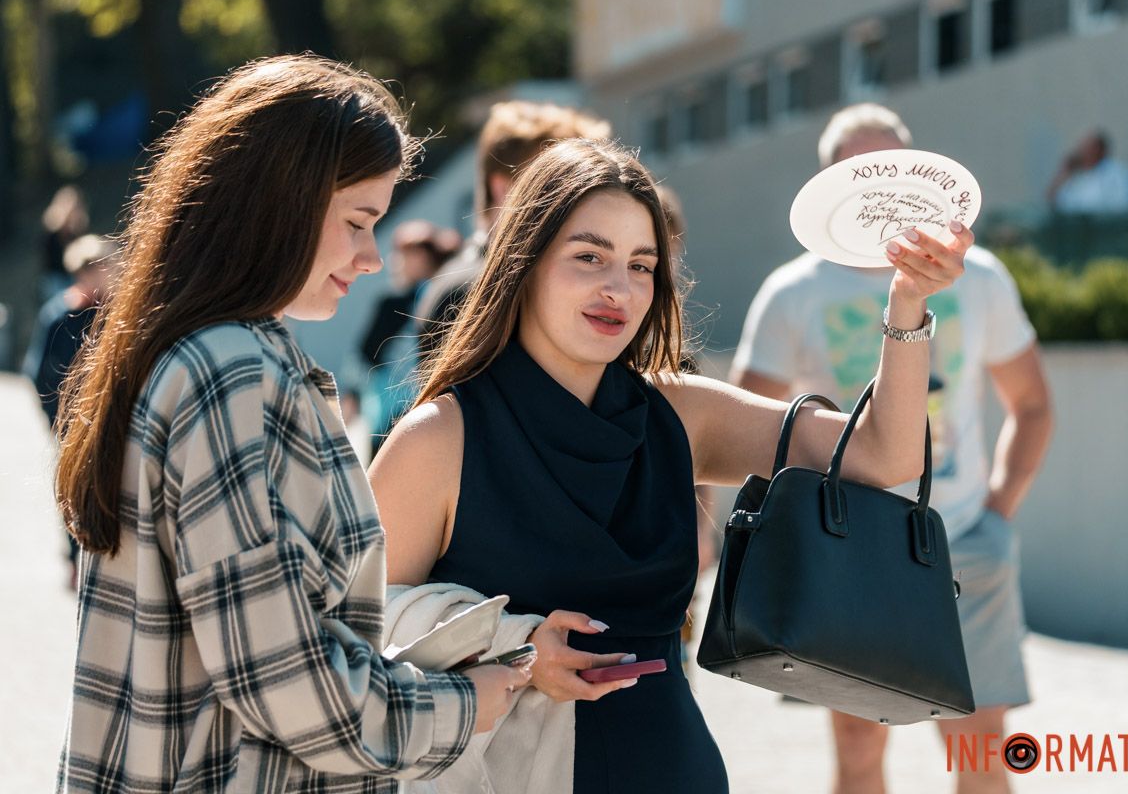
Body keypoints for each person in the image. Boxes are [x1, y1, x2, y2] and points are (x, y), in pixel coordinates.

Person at [368, 137, 973, 792]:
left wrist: (907, 303)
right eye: (589, 257)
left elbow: (886, 456)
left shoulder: (678, 412)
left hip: (670, 764)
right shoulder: (439, 438)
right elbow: (353, 639)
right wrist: (514, 646)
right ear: (525, 260)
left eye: (641, 264)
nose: (617, 288)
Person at [53, 55, 527, 793]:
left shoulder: (203, 352)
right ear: (280, 203)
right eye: (358, 222)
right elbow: (282, 680)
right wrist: (465, 704)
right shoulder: (229, 371)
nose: (372, 256)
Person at [732, 103, 1054, 794]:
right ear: (827, 186)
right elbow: (748, 430)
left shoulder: (983, 276)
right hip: (847, 550)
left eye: (890, 169)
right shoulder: (792, 293)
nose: (875, 190)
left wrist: (997, 513)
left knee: (979, 750)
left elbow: (1032, 405)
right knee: (856, 747)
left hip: (962, 537)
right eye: (857, 172)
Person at [407, 101, 611, 365]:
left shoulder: (488, 277)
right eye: (556, 186)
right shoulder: (473, 290)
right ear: (504, 189)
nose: (576, 202)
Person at [22, 233, 119, 587]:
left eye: (107, 268)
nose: (103, 276)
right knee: (74, 492)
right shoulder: (58, 315)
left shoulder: (118, 315)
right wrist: (58, 419)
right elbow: (38, 372)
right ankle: (76, 557)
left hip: (112, 423)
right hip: (71, 425)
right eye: (95, 270)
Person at [356, 219, 461, 455]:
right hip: (436, 406)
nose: (393, 262)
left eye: (401, 254)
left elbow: (366, 351)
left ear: (421, 257)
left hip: (393, 409)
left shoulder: (398, 302)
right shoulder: (450, 291)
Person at [1046, 129, 1128, 214]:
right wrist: (1064, 172)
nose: (1083, 152)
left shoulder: (1117, 173)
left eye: (1088, 148)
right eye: (1082, 148)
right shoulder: (1075, 175)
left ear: (1101, 151)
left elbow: (1124, 205)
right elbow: (1054, 203)